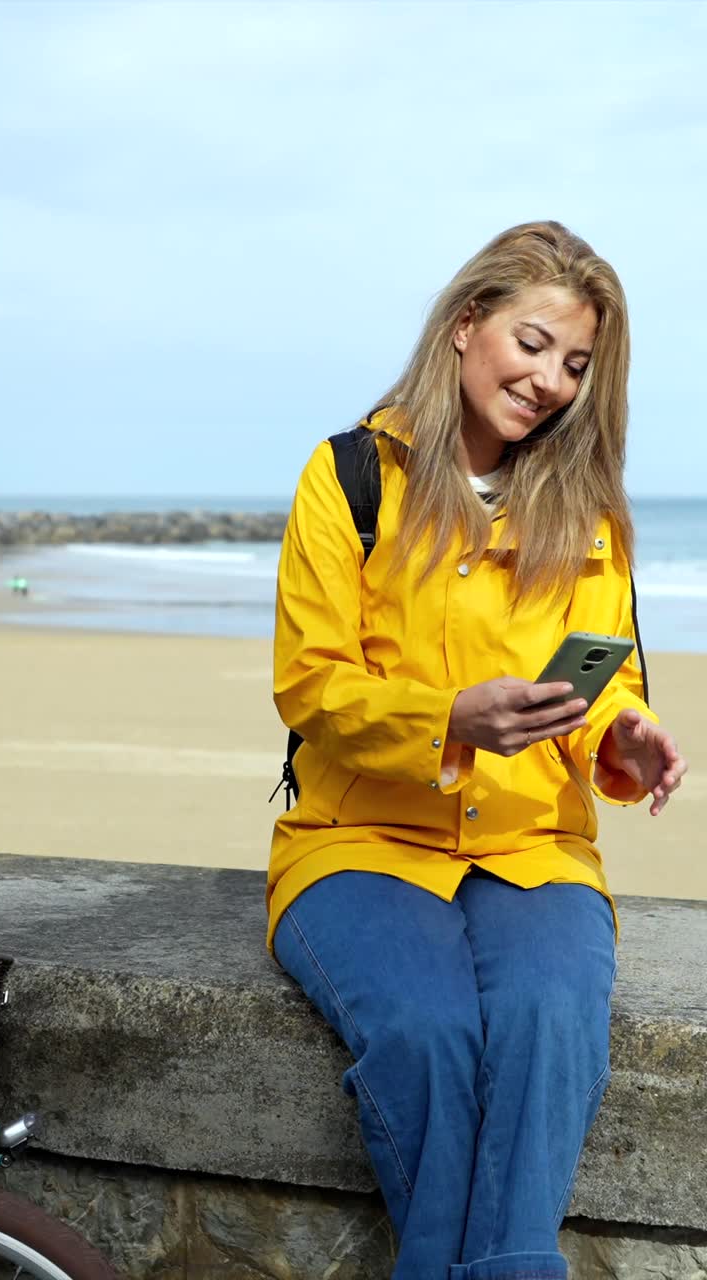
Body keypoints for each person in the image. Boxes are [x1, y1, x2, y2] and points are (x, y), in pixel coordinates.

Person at [266, 220, 688, 1280]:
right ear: (466, 325)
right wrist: (450, 718)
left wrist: (626, 738)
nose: (550, 380)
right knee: (425, 1031)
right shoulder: (351, 474)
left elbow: (599, 686)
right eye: (534, 343)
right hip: (357, 837)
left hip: (533, 845)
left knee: (552, 1023)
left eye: (577, 365)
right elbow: (312, 686)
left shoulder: (588, 509)